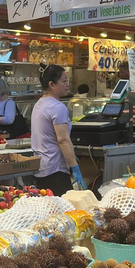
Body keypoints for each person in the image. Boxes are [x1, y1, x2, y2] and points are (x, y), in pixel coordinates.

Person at [31, 64, 86, 196]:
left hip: (40, 167)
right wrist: (75, 168)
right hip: (55, 170)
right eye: (64, 81)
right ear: (52, 84)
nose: (68, 84)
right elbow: (63, 140)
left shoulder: (39, 103)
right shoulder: (57, 107)